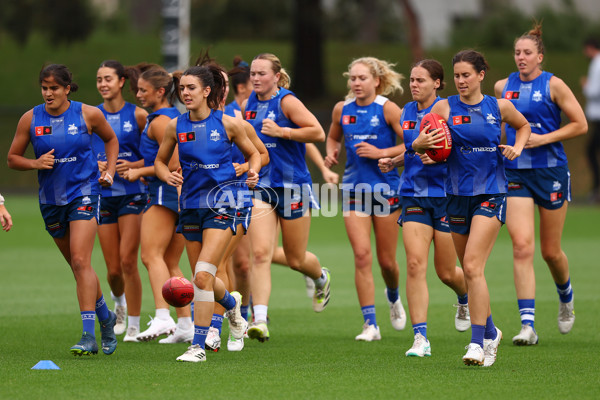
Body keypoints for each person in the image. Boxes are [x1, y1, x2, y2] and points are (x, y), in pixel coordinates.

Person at [416, 50, 530, 366]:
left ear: (481, 75)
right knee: (469, 271)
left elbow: (523, 127)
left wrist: (516, 148)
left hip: (491, 193)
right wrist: (423, 148)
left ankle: (478, 344)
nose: (461, 81)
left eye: (467, 75)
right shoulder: (443, 107)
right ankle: (492, 331)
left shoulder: (499, 107)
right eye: (457, 75)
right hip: (455, 196)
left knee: (472, 266)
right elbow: (419, 142)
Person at [7, 64, 120, 356]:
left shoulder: (88, 114)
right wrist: (35, 163)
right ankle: (106, 318)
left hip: (84, 193)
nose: (48, 93)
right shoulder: (30, 118)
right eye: (44, 88)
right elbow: (12, 158)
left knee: (82, 261)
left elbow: (111, 140)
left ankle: (87, 336)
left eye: (54, 88)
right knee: (77, 266)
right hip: (50, 201)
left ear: (67, 89)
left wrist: (108, 171)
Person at [154, 63, 261, 362]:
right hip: (190, 207)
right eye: (182, 89)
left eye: (191, 88)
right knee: (204, 278)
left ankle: (198, 347)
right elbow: (161, 161)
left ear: (206, 91)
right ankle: (232, 305)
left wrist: (252, 171)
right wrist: (166, 176)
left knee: (202, 276)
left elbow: (255, 153)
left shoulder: (228, 124)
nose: (185, 93)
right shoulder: (175, 126)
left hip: (225, 204)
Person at [494, 24, 587, 346]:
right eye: (517, 52)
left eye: (527, 53)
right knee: (522, 247)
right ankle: (527, 326)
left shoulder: (554, 85)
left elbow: (580, 124)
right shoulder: (502, 86)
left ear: (540, 57)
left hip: (550, 172)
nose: (521, 58)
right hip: (515, 171)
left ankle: (566, 295)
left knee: (550, 251)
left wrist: (545, 137)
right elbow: (499, 126)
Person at [378, 59, 469, 357]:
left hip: (445, 195)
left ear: (437, 84)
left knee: (445, 272)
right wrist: (396, 160)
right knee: (415, 264)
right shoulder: (406, 112)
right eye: (413, 80)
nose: (414, 85)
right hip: (414, 194)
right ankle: (420, 339)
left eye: (421, 80)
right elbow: (412, 147)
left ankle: (466, 296)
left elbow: (459, 150)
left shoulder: (451, 111)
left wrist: (440, 156)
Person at [243, 53, 331, 342]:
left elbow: (317, 132)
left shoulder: (287, 102)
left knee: (295, 258)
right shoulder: (248, 105)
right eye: (252, 73)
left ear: (277, 77)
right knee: (259, 254)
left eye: (261, 74)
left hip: (293, 187)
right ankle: (260, 320)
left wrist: (282, 131)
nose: (255, 78)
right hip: (262, 188)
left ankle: (320, 278)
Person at [324, 57, 406, 341]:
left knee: (387, 263)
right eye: (353, 78)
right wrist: (332, 152)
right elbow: (333, 137)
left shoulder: (389, 109)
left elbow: (412, 142)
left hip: (385, 191)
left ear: (376, 81)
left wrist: (382, 153)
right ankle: (370, 324)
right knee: (361, 256)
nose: (356, 83)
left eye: (362, 78)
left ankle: (393, 296)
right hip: (353, 191)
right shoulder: (342, 110)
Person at [122, 64, 192, 343]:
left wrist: (140, 171)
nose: (138, 95)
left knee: (150, 256)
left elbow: (174, 164)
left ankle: (163, 317)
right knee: (171, 262)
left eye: (143, 90)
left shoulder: (161, 120)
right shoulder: (170, 117)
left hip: (164, 194)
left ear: (160, 92)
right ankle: (185, 324)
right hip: (178, 196)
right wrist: (138, 166)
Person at [93, 60, 148, 337]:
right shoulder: (91, 116)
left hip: (133, 195)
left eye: (108, 79)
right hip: (103, 196)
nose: (103, 84)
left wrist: (135, 166)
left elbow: (155, 154)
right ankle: (119, 304)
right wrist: (97, 165)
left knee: (128, 261)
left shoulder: (138, 115)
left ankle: (135, 325)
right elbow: (84, 154)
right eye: (99, 80)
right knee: (113, 270)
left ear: (122, 82)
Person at [582, 37, 600, 203]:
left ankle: (596, 189)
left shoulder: (596, 64)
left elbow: (594, 91)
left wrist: (586, 85)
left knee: (591, 151)